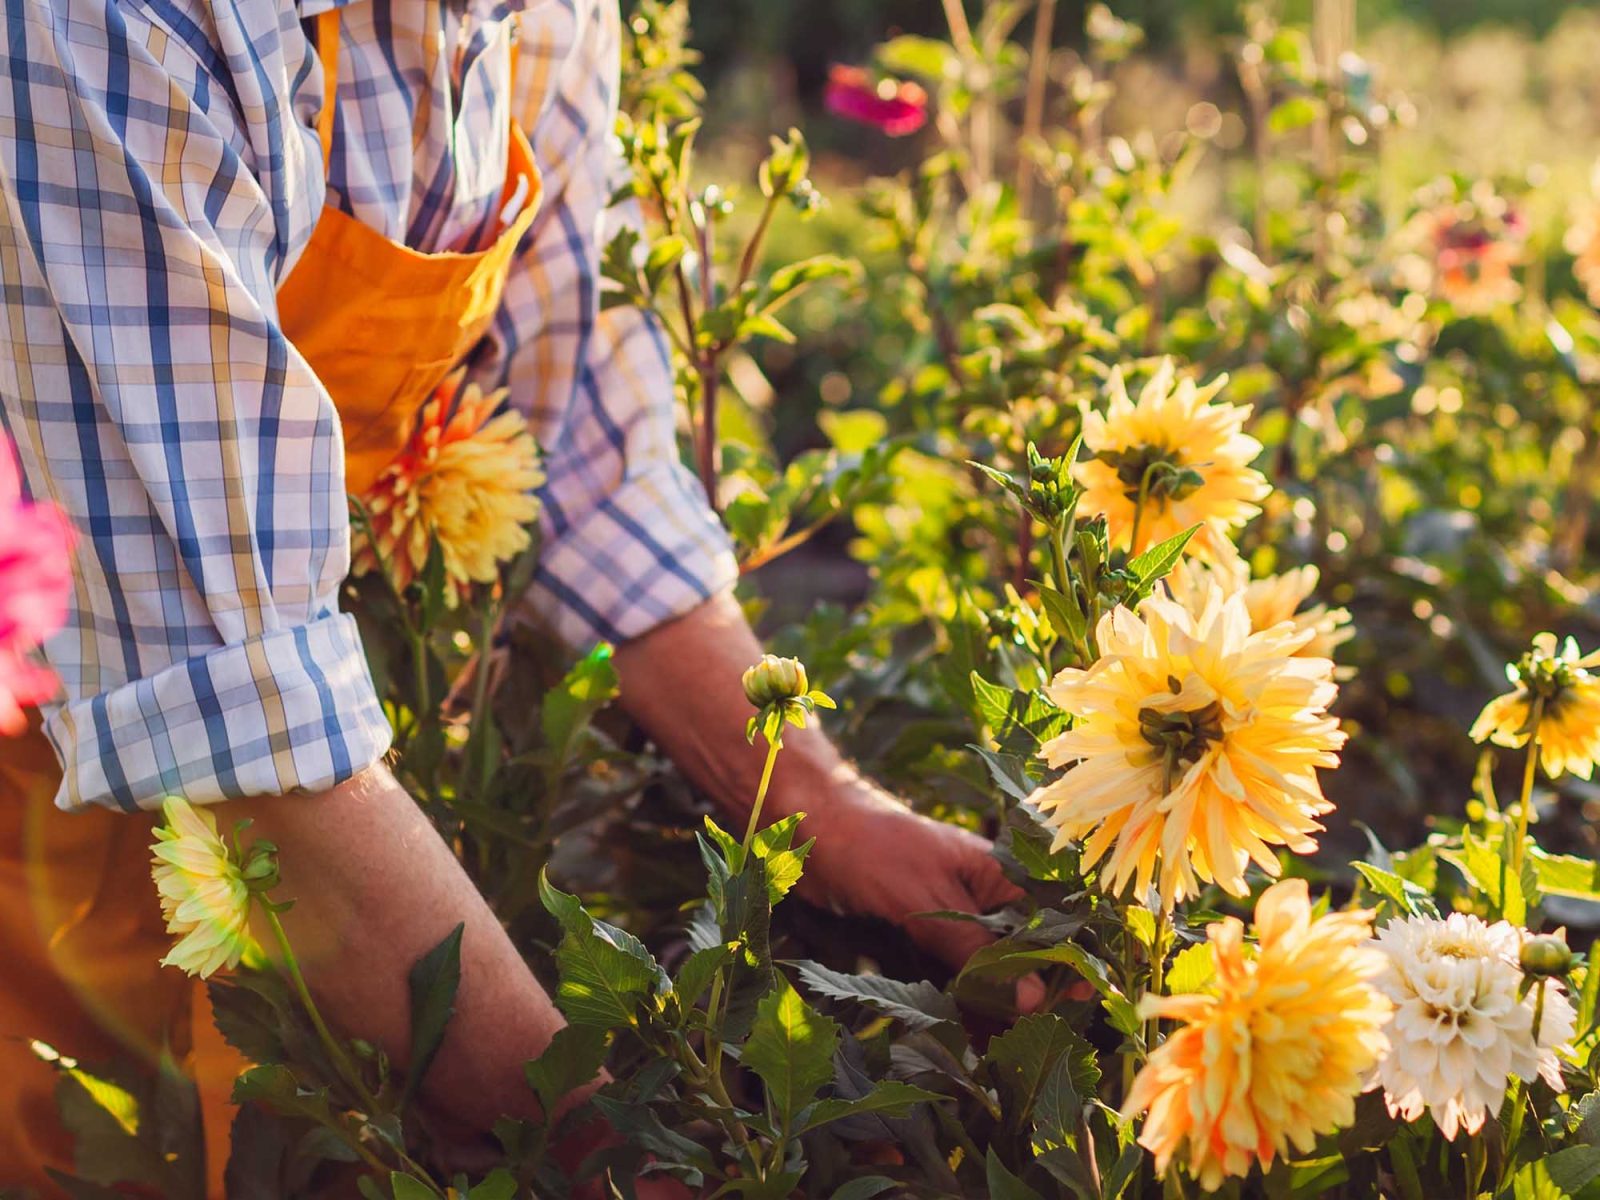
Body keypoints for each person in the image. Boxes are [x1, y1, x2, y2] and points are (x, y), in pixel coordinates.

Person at [0, 0, 1026, 1192]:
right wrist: (594, 1137)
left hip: (309, 801)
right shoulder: (104, 23)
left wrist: (822, 803)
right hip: (50, 780)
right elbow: (232, 698)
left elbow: (581, 444)